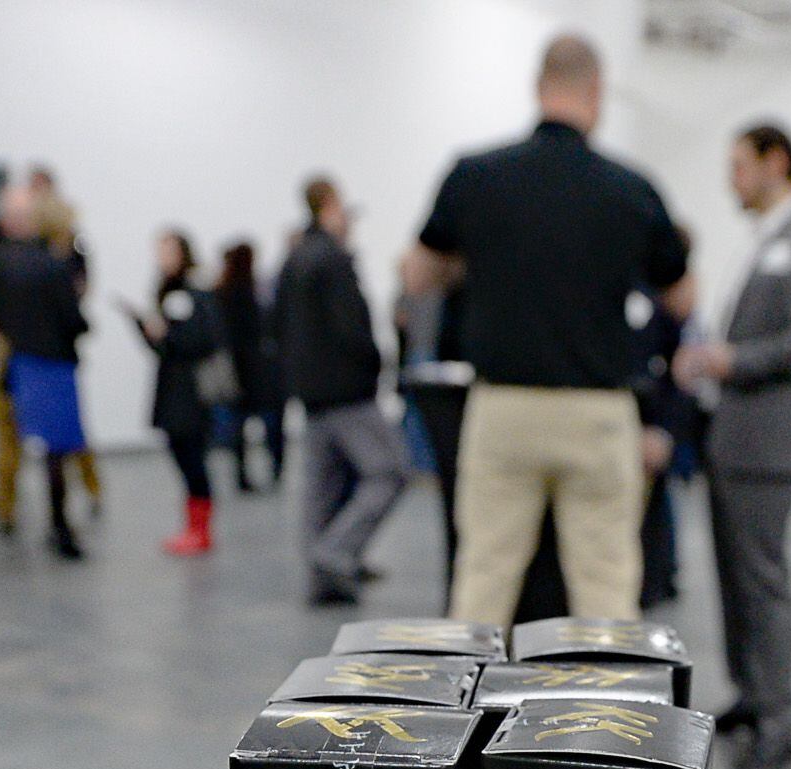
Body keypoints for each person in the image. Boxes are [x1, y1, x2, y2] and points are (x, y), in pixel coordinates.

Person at [405, 33, 690, 626]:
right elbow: (683, 298)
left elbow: (418, 274)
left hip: (504, 406)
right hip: (598, 411)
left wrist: (477, 264)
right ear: (597, 93)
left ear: (538, 89)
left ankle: (469, 715)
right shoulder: (632, 189)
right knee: (606, 586)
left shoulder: (474, 174)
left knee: (485, 576)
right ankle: (608, 717)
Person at [672, 123, 791, 769]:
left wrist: (731, 359)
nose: (731, 179)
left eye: (741, 165)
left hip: (770, 443)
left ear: (778, 164)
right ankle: (751, 694)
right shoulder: (768, 242)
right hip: (738, 440)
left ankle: (779, 716)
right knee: (736, 582)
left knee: (763, 583)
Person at [278, 175, 408, 607]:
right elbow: (351, 327)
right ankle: (333, 553)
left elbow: (276, 324)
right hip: (346, 389)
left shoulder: (294, 258)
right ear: (330, 206)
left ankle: (323, 576)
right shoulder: (332, 260)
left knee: (323, 485)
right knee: (389, 470)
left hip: (310, 390)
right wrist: (374, 364)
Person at [0, 184, 90, 558]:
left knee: (8, 440)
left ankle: (6, 509)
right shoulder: (52, 266)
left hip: (14, 359)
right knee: (58, 450)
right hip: (52, 364)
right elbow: (74, 319)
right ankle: (59, 526)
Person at [121, 229, 226, 556]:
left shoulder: (195, 292)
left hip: (190, 392)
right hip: (173, 388)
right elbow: (163, 347)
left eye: (168, 250)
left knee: (193, 459)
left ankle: (200, 530)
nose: (162, 258)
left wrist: (166, 333)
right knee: (182, 456)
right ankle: (193, 527)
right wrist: (145, 328)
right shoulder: (169, 291)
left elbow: (202, 339)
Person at [634, 252, 699, 609]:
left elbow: (677, 373)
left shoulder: (659, 306)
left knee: (655, 507)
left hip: (651, 425)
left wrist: (662, 430)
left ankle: (658, 580)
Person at [214, 241, 285, 492]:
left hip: (240, 368)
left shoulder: (222, 292)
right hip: (259, 367)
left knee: (240, 427)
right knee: (270, 422)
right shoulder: (253, 292)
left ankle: (243, 476)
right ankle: (275, 468)